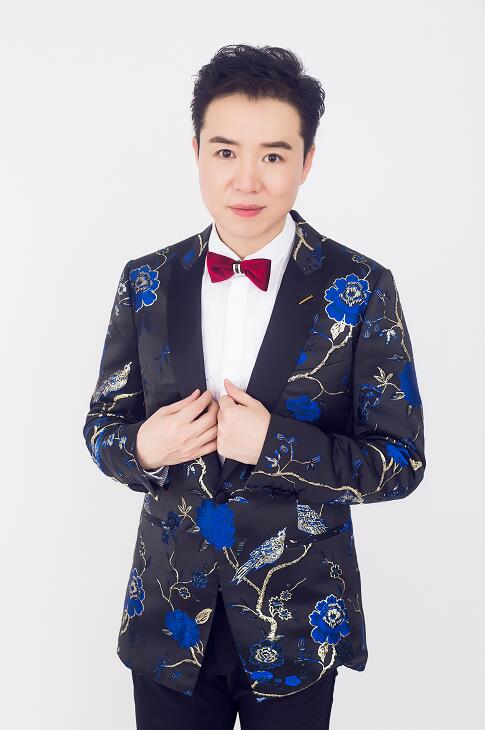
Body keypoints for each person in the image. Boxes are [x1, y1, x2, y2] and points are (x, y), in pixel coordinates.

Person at [83, 43, 426, 730]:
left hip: (295, 621)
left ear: (306, 161)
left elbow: (400, 461)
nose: (246, 180)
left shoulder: (360, 287)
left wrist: (276, 446)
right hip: (169, 619)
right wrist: (144, 449)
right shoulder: (147, 281)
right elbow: (102, 426)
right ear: (197, 153)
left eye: (272, 155)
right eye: (225, 152)